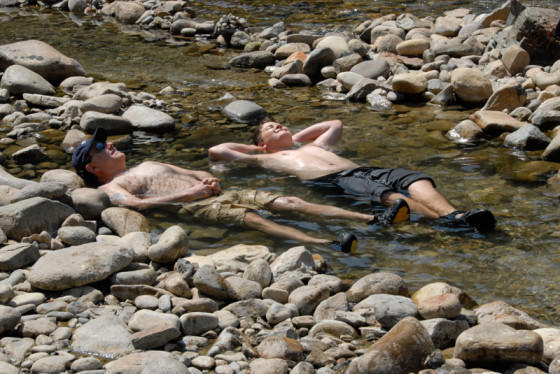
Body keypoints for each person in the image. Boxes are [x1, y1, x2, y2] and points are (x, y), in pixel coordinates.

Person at [71, 127, 410, 252]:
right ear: (92, 167)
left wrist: (206, 179)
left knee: (287, 200)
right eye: (102, 147)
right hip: (193, 207)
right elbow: (135, 205)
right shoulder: (114, 186)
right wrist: (186, 196)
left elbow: (194, 169)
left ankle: (370, 218)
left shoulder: (146, 165)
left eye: (107, 140)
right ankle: (327, 243)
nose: (110, 144)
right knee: (252, 219)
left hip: (213, 194)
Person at [208, 118, 497, 234]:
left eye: (280, 122)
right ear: (262, 143)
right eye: (272, 127)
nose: (279, 125)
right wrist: (260, 147)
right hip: (334, 179)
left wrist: (291, 137)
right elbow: (217, 150)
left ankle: (457, 215)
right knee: (392, 198)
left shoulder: (312, 144)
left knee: (415, 179)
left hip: (363, 169)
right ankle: (446, 225)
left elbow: (335, 123)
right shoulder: (265, 159)